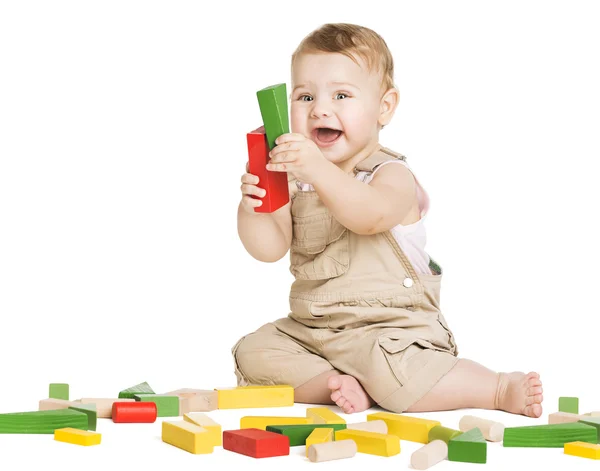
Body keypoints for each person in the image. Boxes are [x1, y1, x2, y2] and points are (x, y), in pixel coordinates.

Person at [233, 23, 543, 417]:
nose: (320, 109)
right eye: (305, 96)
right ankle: (340, 386)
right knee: (255, 351)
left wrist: (315, 169)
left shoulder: (390, 174)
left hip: (391, 332)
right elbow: (268, 248)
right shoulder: (296, 180)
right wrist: (254, 205)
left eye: (341, 95)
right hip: (313, 333)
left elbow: (370, 216)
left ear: (385, 107)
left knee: (396, 371)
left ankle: (496, 389)